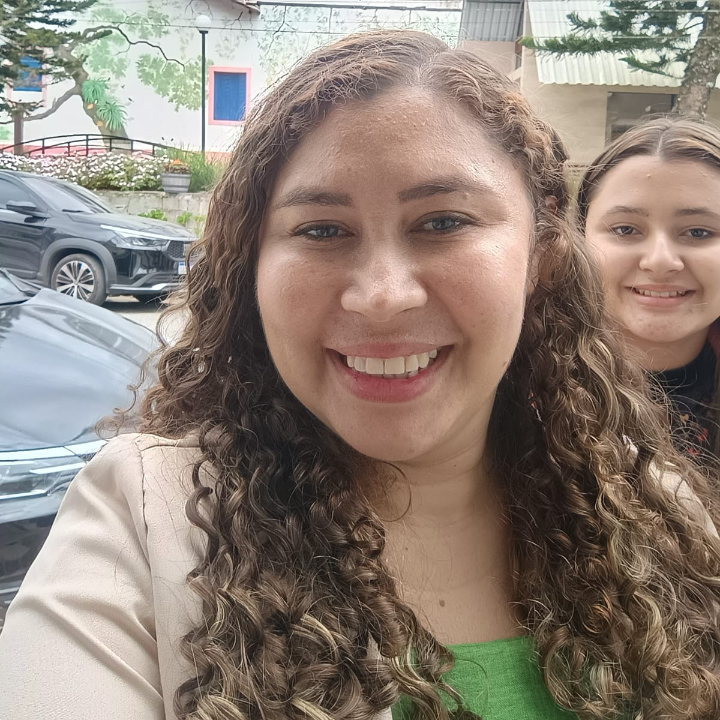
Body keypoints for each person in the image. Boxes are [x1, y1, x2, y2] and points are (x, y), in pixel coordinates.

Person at [2, 31, 720, 720]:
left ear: (544, 255)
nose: (382, 296)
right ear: (252, 266)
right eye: (321, 230)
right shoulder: (142, 517)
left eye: (443, 222)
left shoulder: (662, 509)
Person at [579, 118, 720, 463]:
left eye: (699, 232)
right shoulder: (509, 387)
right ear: (578, 239)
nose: (660, 261)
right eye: (625, 229)